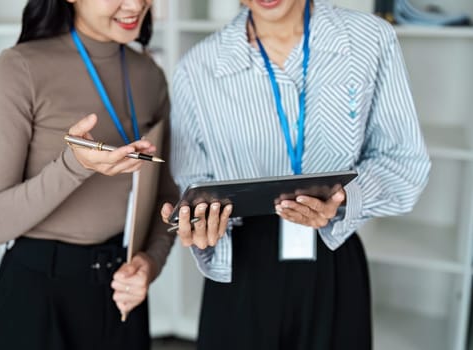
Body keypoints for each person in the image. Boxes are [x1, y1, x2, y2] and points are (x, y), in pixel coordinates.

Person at [159, 0, 431, 349]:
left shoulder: (369, 40)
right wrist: (199, 225)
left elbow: (402, 160)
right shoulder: (198, 67)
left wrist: (343, 199)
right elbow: (193, 182)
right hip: (243, 264)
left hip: (332, 250)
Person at [0, 0, 177, 349]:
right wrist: (75, 165)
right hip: (37, 301)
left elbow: (165, 195)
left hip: (119, 295)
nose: (135, 5)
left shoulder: (149, 75)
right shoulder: (20, 68)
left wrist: (149, 261)